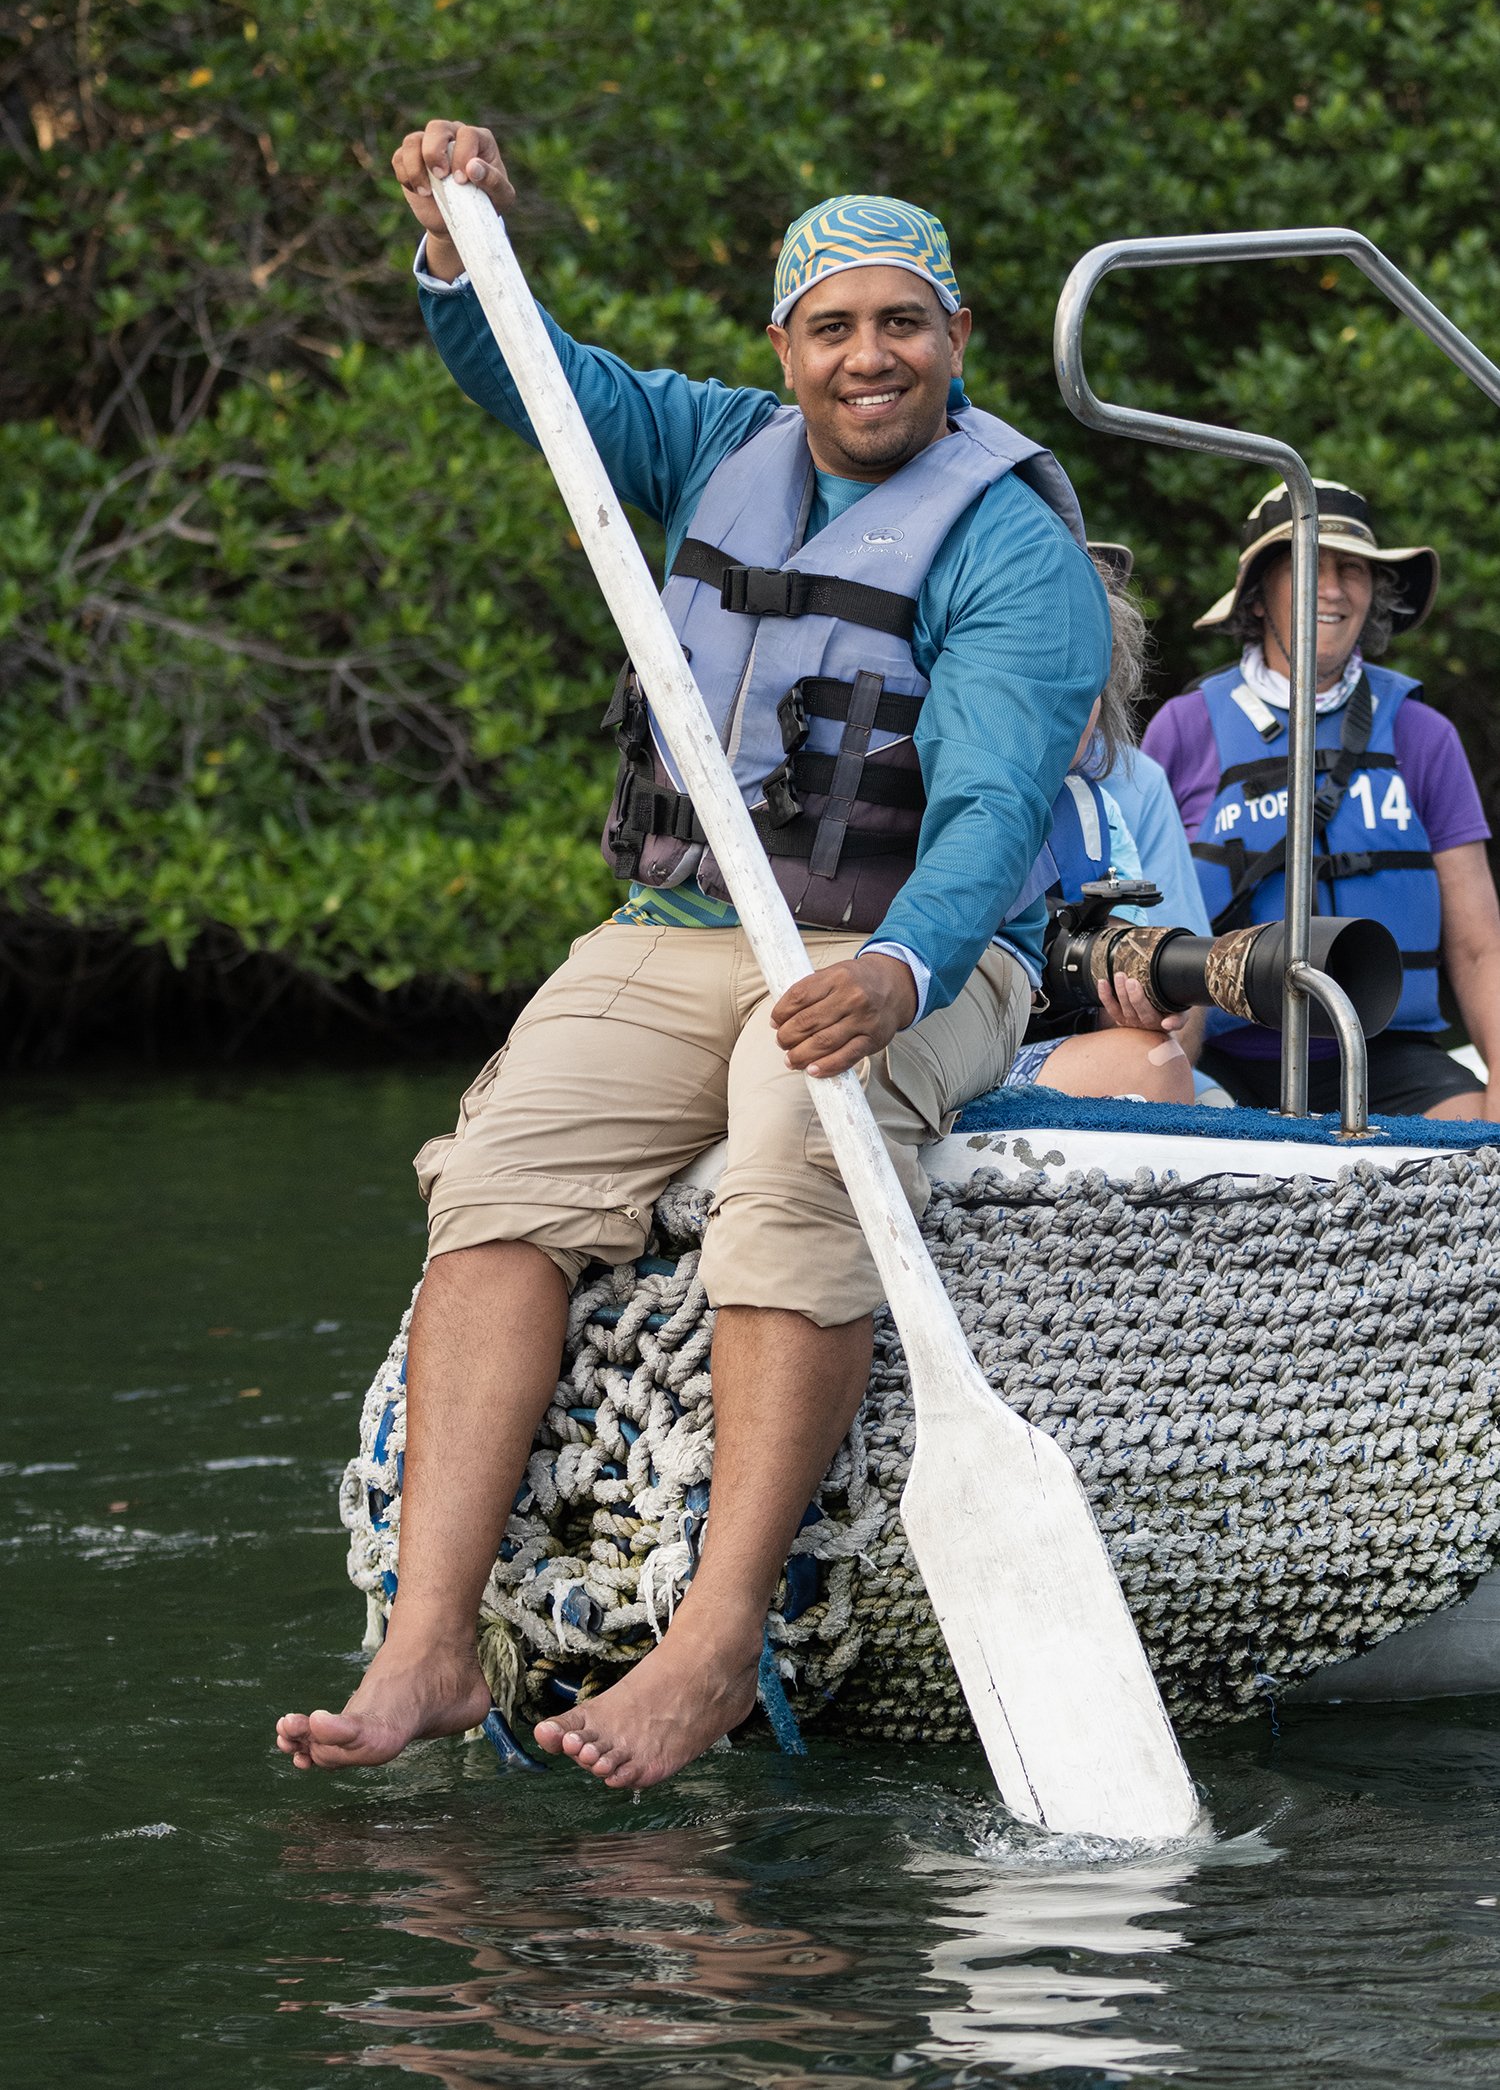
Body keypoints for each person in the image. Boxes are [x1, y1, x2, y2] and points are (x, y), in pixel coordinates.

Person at [276, 123, 1111, 1788]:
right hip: (680, 924)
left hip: (906, 951)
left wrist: (906, 970)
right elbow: (539, 378)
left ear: (955, 340)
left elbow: (999, 803)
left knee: (794, 1142)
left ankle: (716, 1636)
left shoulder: (1014, 546)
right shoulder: (718, 444)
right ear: (785, 349)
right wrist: (461, 244)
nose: (870, 355)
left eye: (904, 323)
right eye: (834, 326)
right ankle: (432, 1641)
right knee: (502, 1175)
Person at [1144, 478, 1500, 1119]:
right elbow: (1142, 910)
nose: (1332, 588)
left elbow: (1480, 946)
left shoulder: (1423, 733)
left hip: (1390, 1053)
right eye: (1309, 564)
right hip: (1227, 1057)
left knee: (1474, 1141)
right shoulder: (1183, 727)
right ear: (1256, 599)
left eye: (1353, 569)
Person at [1006, 560, 1199, 1104]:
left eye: (1085, 687)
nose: (1066, 709)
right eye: (1044, 679)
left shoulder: (1094, 812)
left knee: (1154, 1052)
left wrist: (1146, 991)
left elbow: (1120, 946)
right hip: (920, 1039)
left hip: (1026, 1052)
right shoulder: (915, 786)